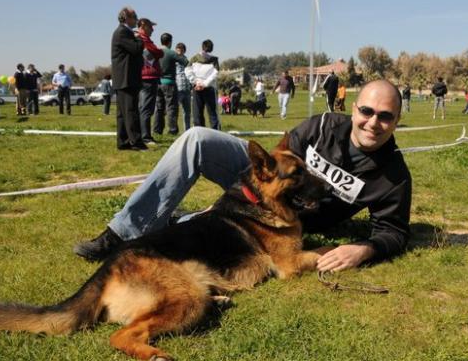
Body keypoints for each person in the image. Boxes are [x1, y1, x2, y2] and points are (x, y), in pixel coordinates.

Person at [73, 80, 412, 274]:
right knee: (197, 138)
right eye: (367, 111)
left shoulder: (393, 175)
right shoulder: (322, 125)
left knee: (198, 231)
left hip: (292, 220)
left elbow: (394, 232)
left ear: (396, 120)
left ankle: (179, 224)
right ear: (354, 108)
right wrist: (234, 205)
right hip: (268, 193)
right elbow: (273, 163)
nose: (373, 122)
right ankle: (121, 233)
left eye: (385, 116)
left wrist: (364, 250)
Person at [112, 6, 147, 151]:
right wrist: (140, 38)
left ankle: (123, 141)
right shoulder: (123, 32)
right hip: (127, 77)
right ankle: (136, 142)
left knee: (123, 113)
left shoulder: (122, 32)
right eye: (135, 17)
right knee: (131, 111)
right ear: (127, 17)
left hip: (123, 78)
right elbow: (136, 49)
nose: (137, 20)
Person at [136, 18, 164, 145]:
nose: (152, 29)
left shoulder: (143, 39)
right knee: (146, 108)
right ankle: (146, 136)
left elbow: (158, 53)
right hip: (147, 78)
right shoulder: (142, 39)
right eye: (150, 27)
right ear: (143, 26)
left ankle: (143, 134)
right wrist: (158, 52)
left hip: (147, 77)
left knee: (145, 107)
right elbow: (157, 52)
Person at [156, 33, 186, 136]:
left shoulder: (156, 52)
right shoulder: (171, 53)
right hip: (170, 84)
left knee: (159, 108)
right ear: (170, 42)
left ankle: (157, 130)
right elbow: (185, 61)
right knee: (171, 107)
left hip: (158, 83)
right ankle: (172, 130)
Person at [186, 39, 220, 130]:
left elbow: (188, 71)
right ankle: (216, 132)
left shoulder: (194, 58)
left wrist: (196, 82)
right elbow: (215, 73)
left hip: (197, 88)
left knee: (197, 112)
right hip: (210, 88)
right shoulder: (214, 59)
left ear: (202, 47)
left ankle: (199, 131)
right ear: (212, 48)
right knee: (212, 112)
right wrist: (204, 84)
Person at [174, 43, 192, 131]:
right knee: (175, 111)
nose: (180, 51)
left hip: (187, 88)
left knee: (187, 112)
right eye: (178, 50)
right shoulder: (173, 60)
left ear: (184, 51)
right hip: (178, 88)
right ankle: (174, 130)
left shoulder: (187, 61)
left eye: (181, 50)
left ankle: (187, 130)